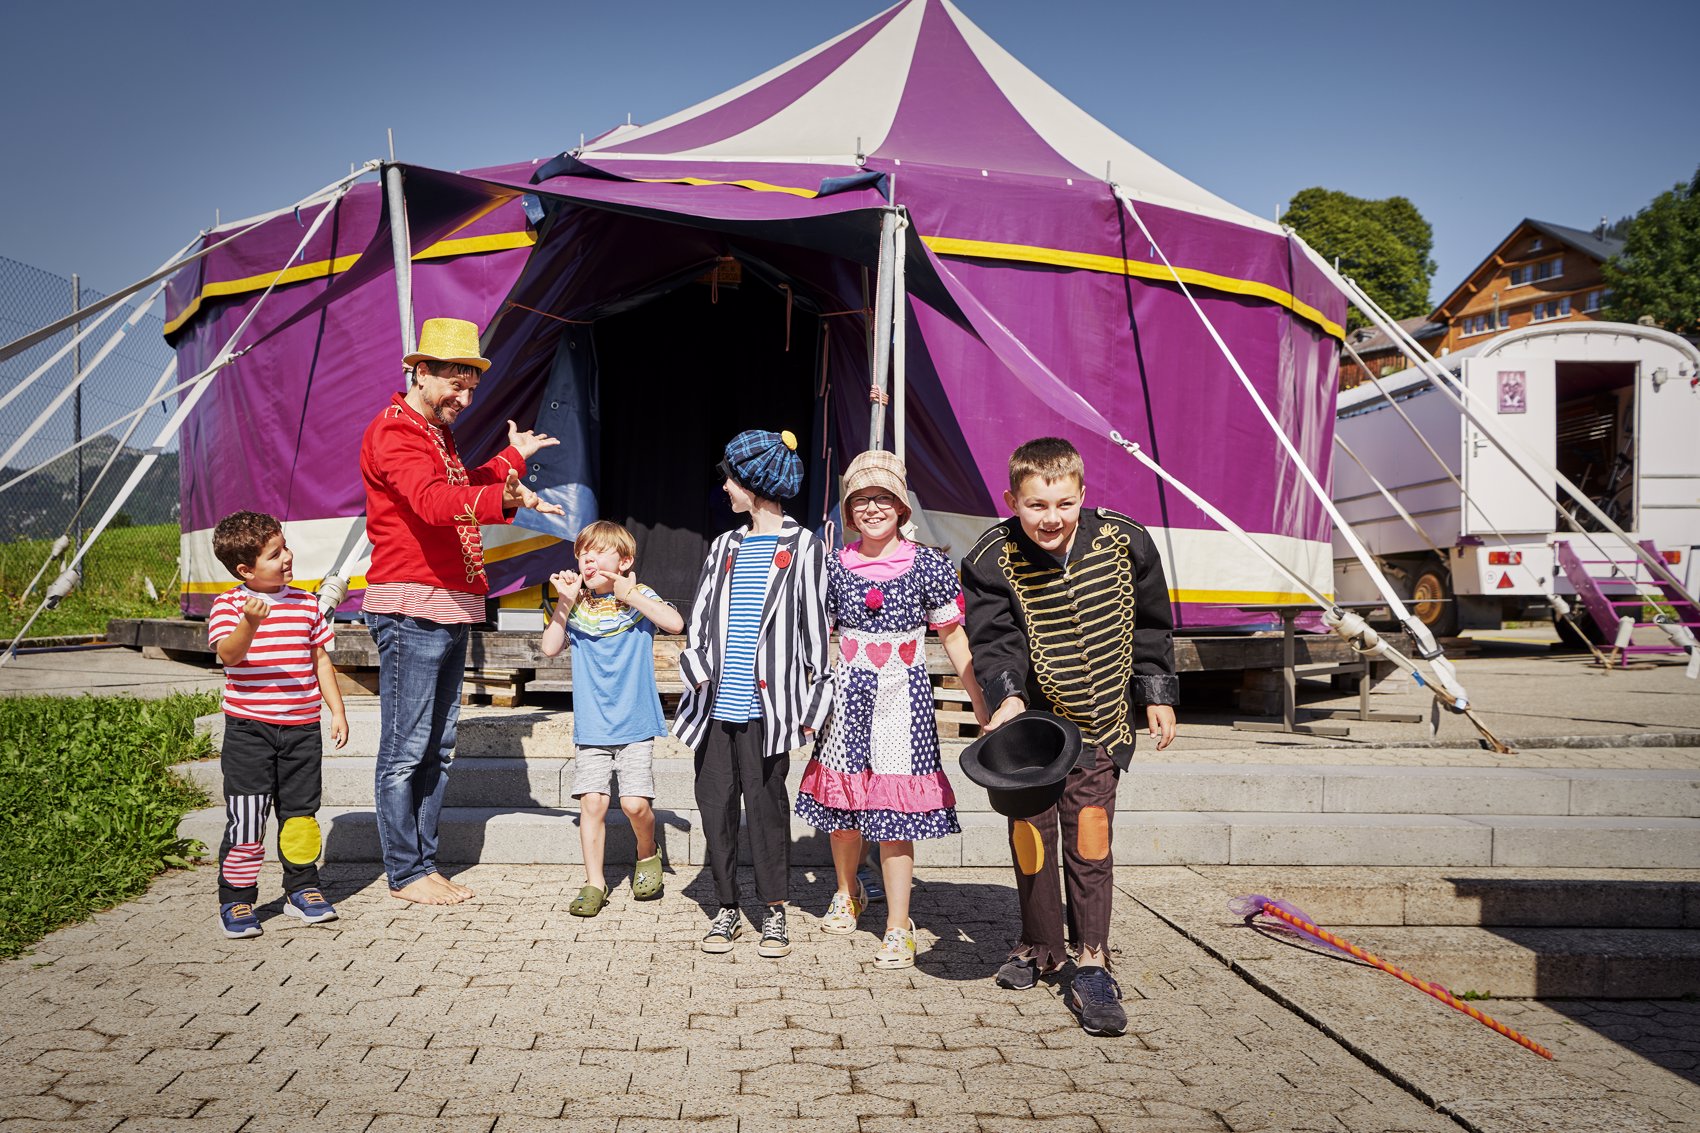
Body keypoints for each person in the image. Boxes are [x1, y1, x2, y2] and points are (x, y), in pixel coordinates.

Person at [961, 437, 1179, 1036]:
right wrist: (1005, 694)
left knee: (1090, 839)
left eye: (1062, 503)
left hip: (1102, 722)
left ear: (1082, 494)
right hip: (1032, 729)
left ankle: (1092, 959)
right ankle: (1038, 945)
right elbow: (993, 639)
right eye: (1035, 506)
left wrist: (1156, 693)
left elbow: (1153, 625)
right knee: (1031, 837)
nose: (1050, 518)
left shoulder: (1126, 541)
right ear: (1013, 500)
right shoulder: (988, 558)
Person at [359, 316, 563, 907]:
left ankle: (422, 864)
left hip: (446, 603)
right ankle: (405, 873)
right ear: (418, 372)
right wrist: (503, 494)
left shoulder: (432, 433)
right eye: (455, 381)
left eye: (471, 386)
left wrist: (508, 464)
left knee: (438, 745)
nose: (465, 397)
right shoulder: (395, 433)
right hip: (412, 604)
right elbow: (431, 502)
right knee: (407, 746)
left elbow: (457, 486)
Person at [795, 450, 986, 968]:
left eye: (883, 498)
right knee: (843, 804)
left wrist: (979, 700)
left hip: (904, 700)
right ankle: (847, 889)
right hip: (846, 696)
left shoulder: (930, 564)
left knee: (897, 812)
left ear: (901, 507)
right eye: (861, 500)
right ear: (849, 510)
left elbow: (952, 635)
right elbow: (810, 636)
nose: (872, 508)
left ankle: (899, 925)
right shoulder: (833, 565)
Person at [674, 428, 832, 958]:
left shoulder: (805, 546)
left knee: (765, 807)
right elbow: (699, 621)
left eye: (731, 480)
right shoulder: (724, 546)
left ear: (755, 484)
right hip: (717, 705)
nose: (724, 488)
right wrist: (696, 667)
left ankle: (774, 911)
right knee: (714, 802)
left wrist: (816, 703)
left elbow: (817, 632)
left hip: (770, 709)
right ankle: (725, 906)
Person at [206, 511, 348, 938]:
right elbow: (228, 656)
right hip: (250, 730)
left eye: (285, 546)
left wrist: (336, 710)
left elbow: (320, 660)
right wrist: (250, 621)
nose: (288, 556)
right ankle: (237, 898)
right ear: (246, 569)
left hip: (302, 729)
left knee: (300, 816)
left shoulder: (307, 604)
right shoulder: (229, 605)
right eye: (275, 553)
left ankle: (301, 889)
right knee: (247, 819)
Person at [540, 520, 684, 917]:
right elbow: (550, 647)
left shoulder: (638, 598)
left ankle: (646, 851)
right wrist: (565, 601)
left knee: (636, 805)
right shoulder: (578, 607)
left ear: (624, 561)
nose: (588, 558)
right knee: (593, 804)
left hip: (635, 722)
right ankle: (594, 882)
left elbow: (675, 624)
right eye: (583, 552)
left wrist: (631, 593)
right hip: (593, 725)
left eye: (599, 551)